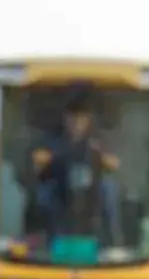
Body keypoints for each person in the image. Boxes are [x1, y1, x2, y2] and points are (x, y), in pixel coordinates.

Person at [29, 94, 123, 247]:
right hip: (59, 184)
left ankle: (114, 242)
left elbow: (115, 164)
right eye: (73, 118)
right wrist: (52, 154)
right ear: (66, 119)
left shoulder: (98, 139)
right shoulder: (54, 138)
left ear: (88, 120)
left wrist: (100, 154)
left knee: (109, 189)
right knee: (44, 195)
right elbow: (37, 158)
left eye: (81, 118)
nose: (77, 123)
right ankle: (51, 240)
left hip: (93, 187)